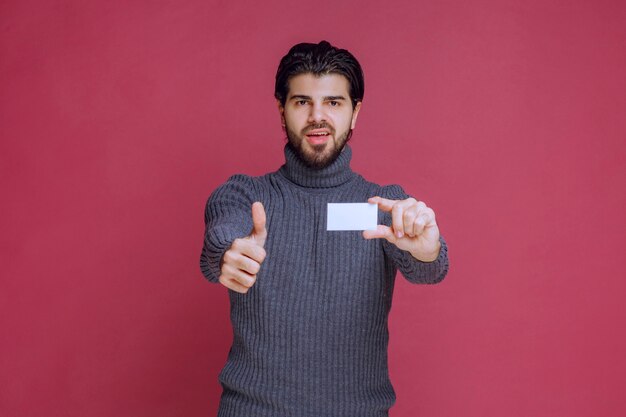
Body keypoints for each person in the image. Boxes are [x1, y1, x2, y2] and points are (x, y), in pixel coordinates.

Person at [200, 40, 449, 417]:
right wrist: (228, 252)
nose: (318, 117)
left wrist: (427, 248)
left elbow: (430, 267)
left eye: (333, 103)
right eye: (302, 102)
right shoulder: (244, 194)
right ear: (281, 110)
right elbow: (222, 233)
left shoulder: (382, 206)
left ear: (355, 112)